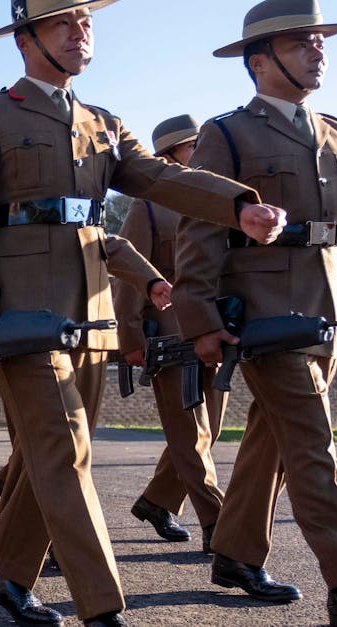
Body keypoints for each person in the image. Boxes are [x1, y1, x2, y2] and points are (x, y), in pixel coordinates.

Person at [0, 2, 285, 624]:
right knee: (64, 449)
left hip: (90, 312)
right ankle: (101, 606)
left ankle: (4, 573)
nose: (81, 34)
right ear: (25, 40)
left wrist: (236, 205)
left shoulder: (101, 121)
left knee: (57, 451)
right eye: (63, 24)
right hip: (21, 311)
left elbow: (154, 177)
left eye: (87, 23)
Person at [174, 2, 337, 622]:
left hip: (325, 308)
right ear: (260, 61)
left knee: (274, 441)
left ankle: (233, 551)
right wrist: (200, 317)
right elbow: (200, 226)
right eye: (303, 42)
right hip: (262, 313)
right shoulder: (227, 133)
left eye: (321, 41)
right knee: (312, 444)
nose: (319, 50)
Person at [114, 115, 227, 551]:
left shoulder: (217, 200)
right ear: (168, 156)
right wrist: (131, 338)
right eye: (192, 145)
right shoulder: (147, 206)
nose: (201, 151)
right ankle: (220, 527)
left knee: (208, 431)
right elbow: (128, 274)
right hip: (169, 337)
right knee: (189, 434)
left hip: (215, 330)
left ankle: (158, 501)